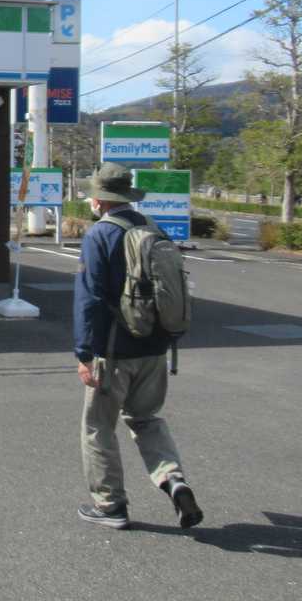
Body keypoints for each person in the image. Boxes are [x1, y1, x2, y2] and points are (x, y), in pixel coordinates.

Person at [73, 162, 203, 531]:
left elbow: (89, 300)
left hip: (114, 352)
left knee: (98, 427)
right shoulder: (152, 228)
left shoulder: (100, 235)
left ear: (99, 200)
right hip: (155, 347)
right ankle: (173, 480)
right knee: (146, 420)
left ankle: (110, 504)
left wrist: (84, 353)